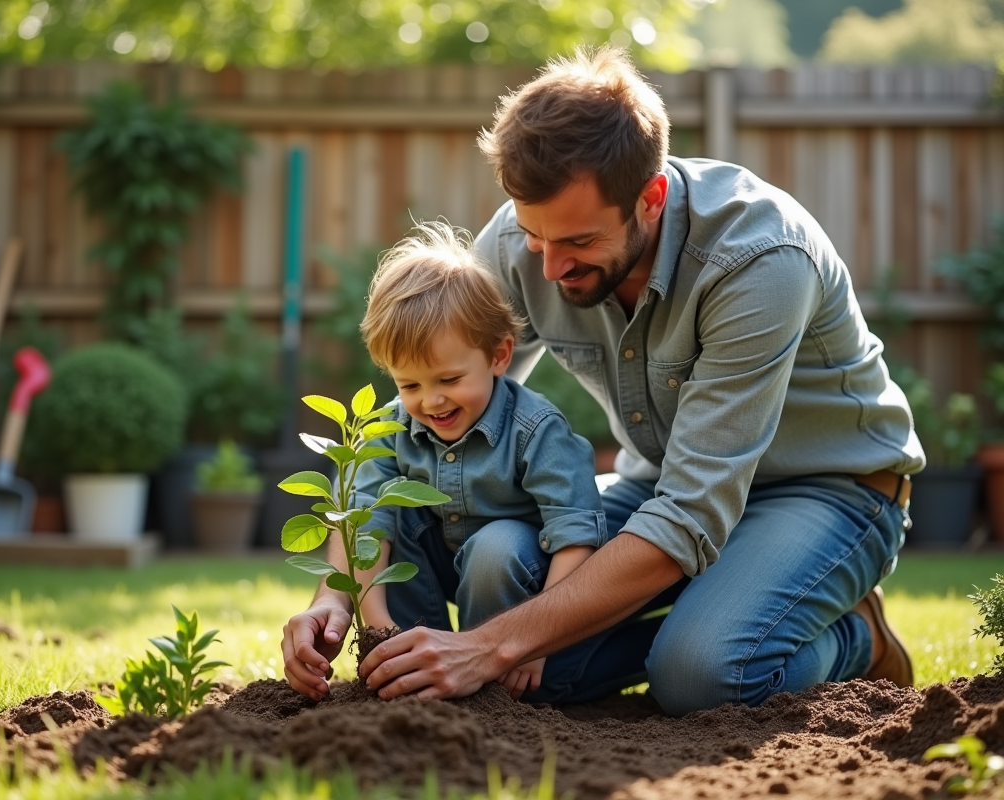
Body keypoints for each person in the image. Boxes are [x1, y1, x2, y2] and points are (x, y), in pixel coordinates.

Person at [282, 45, 924, 715]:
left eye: (579, 243)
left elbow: (693, 513)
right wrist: (334, 593)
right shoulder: (522, 242)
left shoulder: (759, 258)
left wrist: (493, 642)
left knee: (703, 677)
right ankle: (717, 615)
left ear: (650, 198)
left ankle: (856, 636)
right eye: (535, 235)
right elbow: (414, 412)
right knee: (525, 678)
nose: (550, 266)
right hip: (660, 485)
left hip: (826, 493)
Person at [283, 220, 607, 702]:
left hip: (518, 590)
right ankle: (410, 670)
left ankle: (496, 694)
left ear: (499, 356)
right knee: (385, 513)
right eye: (409, 385)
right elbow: (365, 525)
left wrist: (535, 641)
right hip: (441, 566)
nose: (431, 401)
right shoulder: (389, 429)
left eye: (449, 379)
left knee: (496, 546)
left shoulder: (536, 430)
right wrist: (378, 630)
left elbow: (577, 535)